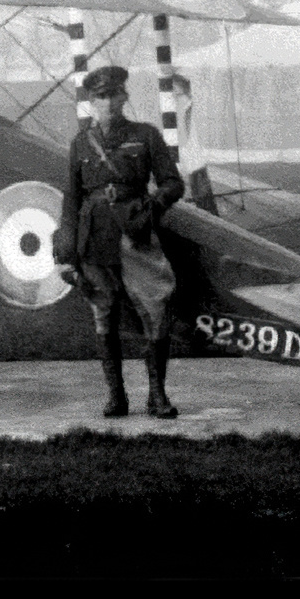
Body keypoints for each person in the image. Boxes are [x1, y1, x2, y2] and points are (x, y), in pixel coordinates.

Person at [54, 65, 185, 418]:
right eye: (101, 97)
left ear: (125, 97)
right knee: (103, 312)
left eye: (114, 94)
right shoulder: (81, 143)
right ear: (92, 102)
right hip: (94, 236)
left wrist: (149, 208)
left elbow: (173, 183)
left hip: (135, 233)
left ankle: (157, 396)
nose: (109, 102)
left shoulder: (145, 136)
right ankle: (116, 397)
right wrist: (66, 249)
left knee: (156, 309)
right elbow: (72, 198)